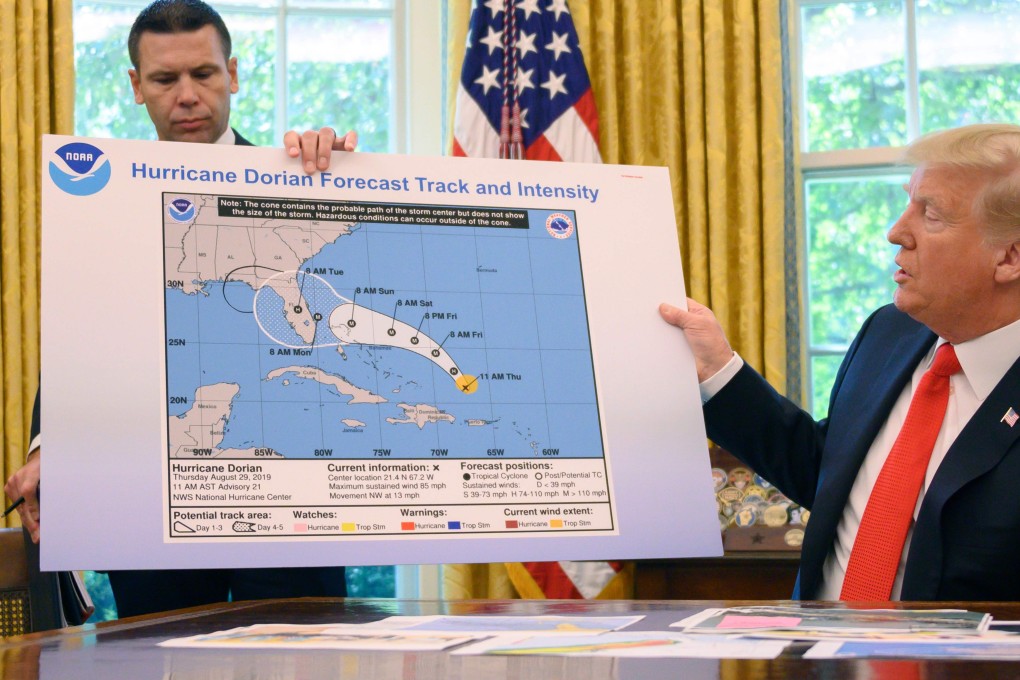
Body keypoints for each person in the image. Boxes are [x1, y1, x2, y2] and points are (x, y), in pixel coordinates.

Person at [4, 0, 357, 618]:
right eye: (166, 79)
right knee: (159, 659)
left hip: (292, 495)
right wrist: (46, 445)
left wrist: (346, 177)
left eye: (205, 73)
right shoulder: (104, 204)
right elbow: (82, 341)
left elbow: (357, 291)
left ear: (235, 75)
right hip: (154, 498)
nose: (188, 95)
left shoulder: (310, 178)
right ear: (137, 87)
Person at [660, 123, 1020, 601]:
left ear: (1009, 257)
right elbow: (828, 473)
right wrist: (718, 369)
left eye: (930, 214)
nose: (897, 231)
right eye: (908, 201)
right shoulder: (888, 332)